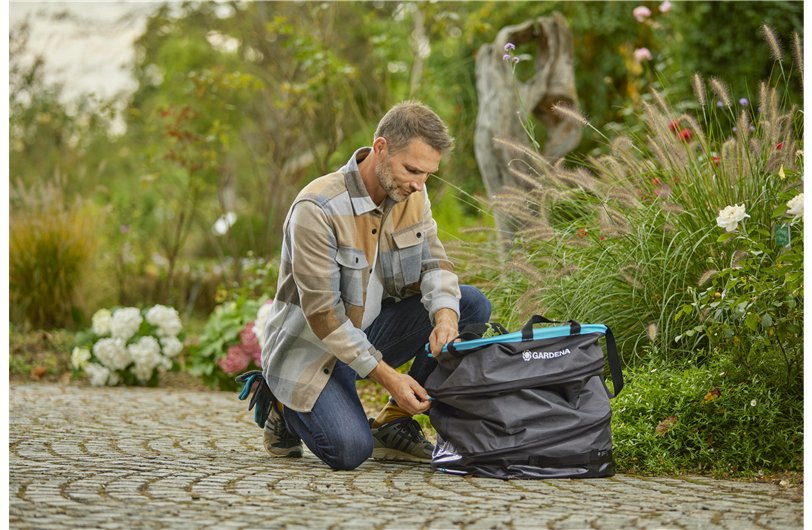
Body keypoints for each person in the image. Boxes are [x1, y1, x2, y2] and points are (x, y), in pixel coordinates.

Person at [238, 101, 491, 470]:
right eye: (412, 170)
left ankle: (393, 422)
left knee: (468, 304)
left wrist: (446, 320)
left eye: (427, 175)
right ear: (381, 148)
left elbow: (435, 263)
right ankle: (281, 401)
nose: (419, 184)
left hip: (370, 334)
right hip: (314, 352)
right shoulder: (318, 207)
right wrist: (390, 378)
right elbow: (324, 316)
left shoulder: (413, 194)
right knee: (350, 452)